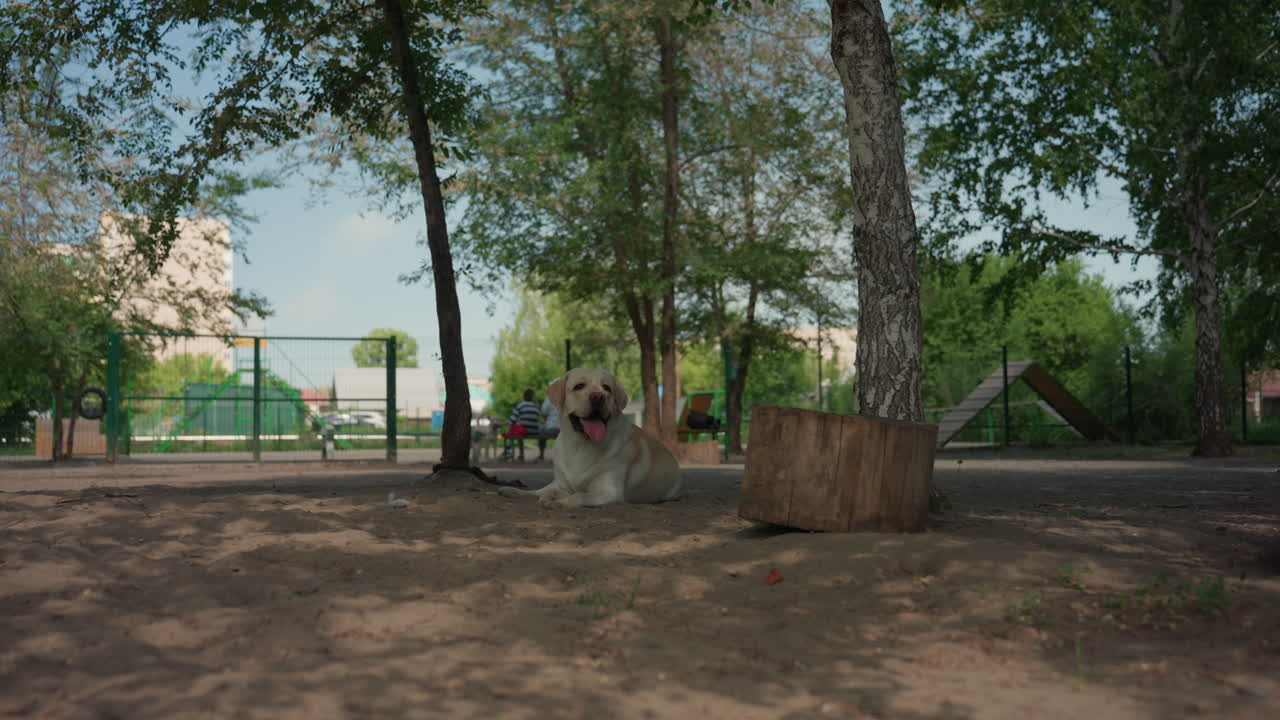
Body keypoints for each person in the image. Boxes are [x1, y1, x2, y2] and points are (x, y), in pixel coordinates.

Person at [506, 388, 541, 462]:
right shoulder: (536, 406)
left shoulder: (521, 405)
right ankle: (541, 455)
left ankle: (518, 454)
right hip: (535, 431)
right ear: (532, 397)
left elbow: (512, 420)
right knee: (519, 428)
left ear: (524, 396)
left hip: (523, 431)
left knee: (514, 428)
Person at [538, 392, 560, 461]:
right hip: (564, 430)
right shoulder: (567, 398)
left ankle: (541, 454)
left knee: (540, 431)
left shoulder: (549, 399)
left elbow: (543, 412)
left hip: (550, 428)